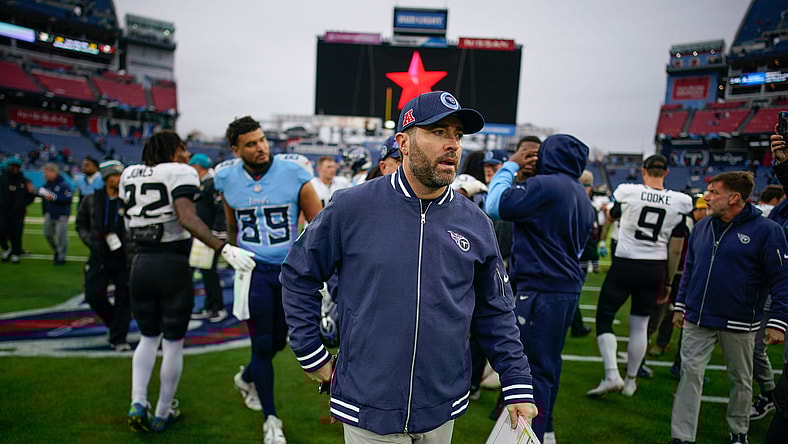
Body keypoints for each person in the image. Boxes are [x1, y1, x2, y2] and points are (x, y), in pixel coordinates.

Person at [281, 91, 537, 443]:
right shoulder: (351, 207)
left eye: (457, 135)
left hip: (441, 402)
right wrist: (312, 354)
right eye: (438, 132)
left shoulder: (476, 223)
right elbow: (298, 273)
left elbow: (496, 310)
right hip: (367, 400)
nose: (452, 145)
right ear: (403, 142)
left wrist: (517, 383)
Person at [121, 131, 255, 433]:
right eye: (182, 150)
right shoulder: (180, 171)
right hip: (171, 262)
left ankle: (137, 401)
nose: (186, 156)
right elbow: (186, 216)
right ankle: (163, 411)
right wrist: (223, 247)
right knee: (172, 342)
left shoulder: (130, 173)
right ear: (173, 150)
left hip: (140, 263)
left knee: (147, 337)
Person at [215, 116, 322, 444]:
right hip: (255, 272)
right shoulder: (226, 178)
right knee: (262, 344)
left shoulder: (293, 172)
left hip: (288, 272)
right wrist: (233, 253)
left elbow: (319, 224)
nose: (260, 147)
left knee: (278, 342)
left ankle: (246, 377)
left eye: (261, 140)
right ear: (236, 149)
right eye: (251, 143)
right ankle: (271, 419)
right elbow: (231, 223)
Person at [485, 133, 594, 444]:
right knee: (548, 365)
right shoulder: (579, 193)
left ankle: (530, 436)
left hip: (540, 287)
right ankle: (546, 431)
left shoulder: (546, 185)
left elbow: (495, 205)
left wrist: (510, 165)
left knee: (530, 368)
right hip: (565, 287)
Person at [669, 171, 788, 444]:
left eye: (713, 192)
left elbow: (782, 278)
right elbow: (690, 268)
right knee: (690, 374)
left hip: (740, 319)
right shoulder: (701, 226)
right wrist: (680, 305)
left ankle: (739, 433)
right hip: (698, 316)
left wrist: (778, 320)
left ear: (734, 198)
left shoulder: (768, 231)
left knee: (741, 380)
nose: (706, 197)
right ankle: (682, 437)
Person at [587, 154, 692, 399]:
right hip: (655, 267)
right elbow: (676, 247)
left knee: (604, 318)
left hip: (625, 263)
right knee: (640, 326)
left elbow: (611, 216)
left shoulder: (628, 191)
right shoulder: (680, 201)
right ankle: (631, 381)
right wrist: (667, 281)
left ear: (643, 171)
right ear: (666, 173)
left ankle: (612, 373)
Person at [76, 160, 132, 351]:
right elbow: (81, 223)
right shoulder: (92, 199)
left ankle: (119, 338)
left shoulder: (128, 200)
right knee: (93, 295)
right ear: (106, 178)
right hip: (99, 254)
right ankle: (114, 325)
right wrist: (90, 240)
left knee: (124, 298)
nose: (118, 180)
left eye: (120, 176)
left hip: (124, 256)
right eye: (115, 176)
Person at [187, 153, 229, 323]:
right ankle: (210, 305)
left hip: (209, 234)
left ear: (197, 166)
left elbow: (220, 209)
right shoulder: (206, 183)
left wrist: (217, 233)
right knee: (205, 271)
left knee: (209, 272)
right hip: (204, 234)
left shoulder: (212, 183)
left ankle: (216, 307)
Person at [0, 156, 35, 264]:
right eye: (13, 166)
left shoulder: (24, 181)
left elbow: (31, 195)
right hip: (2, 211)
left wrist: (22, 205)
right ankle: (7, 249)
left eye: (17, 167)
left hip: (17, 212)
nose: (15, 169)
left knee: (17, 233)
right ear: (8, 166)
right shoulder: (2, 179)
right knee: (1, 231)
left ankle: (15, 253)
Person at [39, 163, 73, 265]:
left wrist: (54, 197)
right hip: (50, 212)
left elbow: (68, 199)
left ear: (54, 172)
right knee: (47, 233)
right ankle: (57, 249)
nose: (45, 175)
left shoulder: (63, 185)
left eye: (47, 172)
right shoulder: (47, 185)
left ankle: (61, 256)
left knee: (61, 235)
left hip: (61, 213)